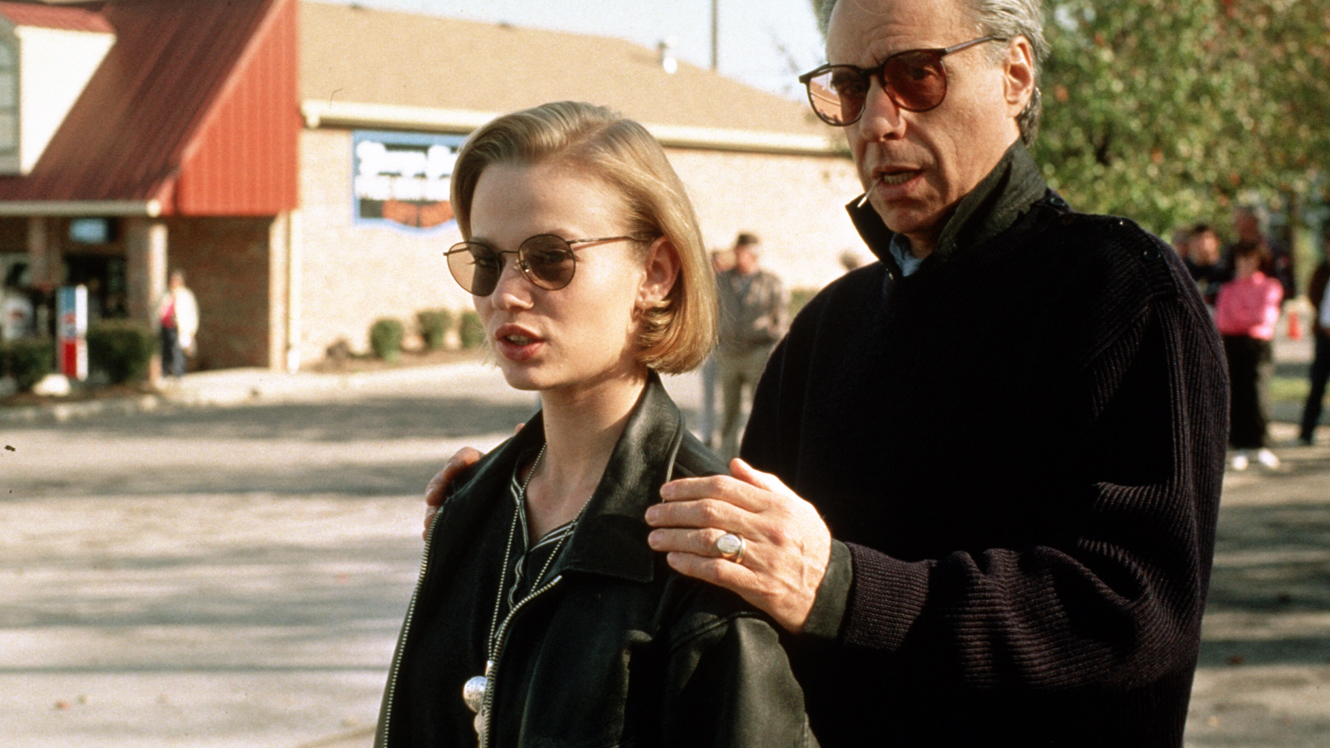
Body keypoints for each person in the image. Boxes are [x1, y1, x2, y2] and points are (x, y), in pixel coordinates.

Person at [425, 1, 1228, 744]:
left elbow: (1135, 613)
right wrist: (546, 499)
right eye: (848, 86)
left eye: (916, 75)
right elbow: (730, 557)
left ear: (1014, 76)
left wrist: (841, 587)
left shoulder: (1121, 292)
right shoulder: (830, 328)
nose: (877, 120)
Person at [377, 102, 816, 748]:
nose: (506, 294)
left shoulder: (706, 548)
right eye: (487, 260)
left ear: (655, 274)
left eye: (550, 258)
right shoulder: (471, 506)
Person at [714, 233, 788, 459]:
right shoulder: (721, 280)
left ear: (754, 253)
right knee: (729, 411)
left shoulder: (770, 282)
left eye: (743, 251)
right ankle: (726, 459)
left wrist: (772, 344)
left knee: (761, 408)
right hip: (729, 353)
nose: (738, 256)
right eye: (737, 251)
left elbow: (781, 318)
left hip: (758, 352)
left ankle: (760, 458)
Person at [1215, 241, 1284, 469]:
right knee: (1237, 392)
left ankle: (1260, 443)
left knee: (1257, 392)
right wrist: (1245, 318)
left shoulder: (1270, 286)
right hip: (1233, 344)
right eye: (1241, 259)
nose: (1245, 263)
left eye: (1250, 258)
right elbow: (1222, 320)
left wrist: (1239, 318)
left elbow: (1264, 317)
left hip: (1257, 345)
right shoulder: (1228, 288)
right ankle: (1240, 444)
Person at [1297, 240, 1330, 446]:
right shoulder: (1322, 271)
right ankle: (1306, 432)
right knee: (1317, 384)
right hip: (1324, 335)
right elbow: (1313, 295)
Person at [156, 269, 198, 379]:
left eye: (176, 280)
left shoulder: (186, 295)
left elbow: (192, 313)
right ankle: (164, 373)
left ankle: (178, 374)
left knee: (176, 350)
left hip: (178, 328)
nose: (173, 282)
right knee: (164, 350)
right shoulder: (166, 295)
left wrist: (191, 330)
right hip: (165, 327)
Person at [1185, 222, 1225, 309]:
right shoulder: (1182, 271)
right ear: (1190, 243)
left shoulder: (1226, 270)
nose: (1202, 243)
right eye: (1197, 239)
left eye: (1207, 238)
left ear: (1217, 242)